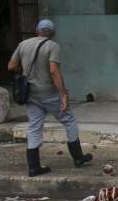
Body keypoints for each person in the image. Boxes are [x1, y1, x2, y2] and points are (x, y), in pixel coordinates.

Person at [7, 19, 93, 176]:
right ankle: (78, 157)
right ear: (53, 33)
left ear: (37, 31)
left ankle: (34, 167)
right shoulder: (53, 46)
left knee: (34, 127)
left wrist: (25, 71)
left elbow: (11, 66)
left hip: (30, 93)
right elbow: (53, 71)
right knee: (69, 121)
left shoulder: (23, 44)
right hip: (48, 93)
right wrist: (63, 94)